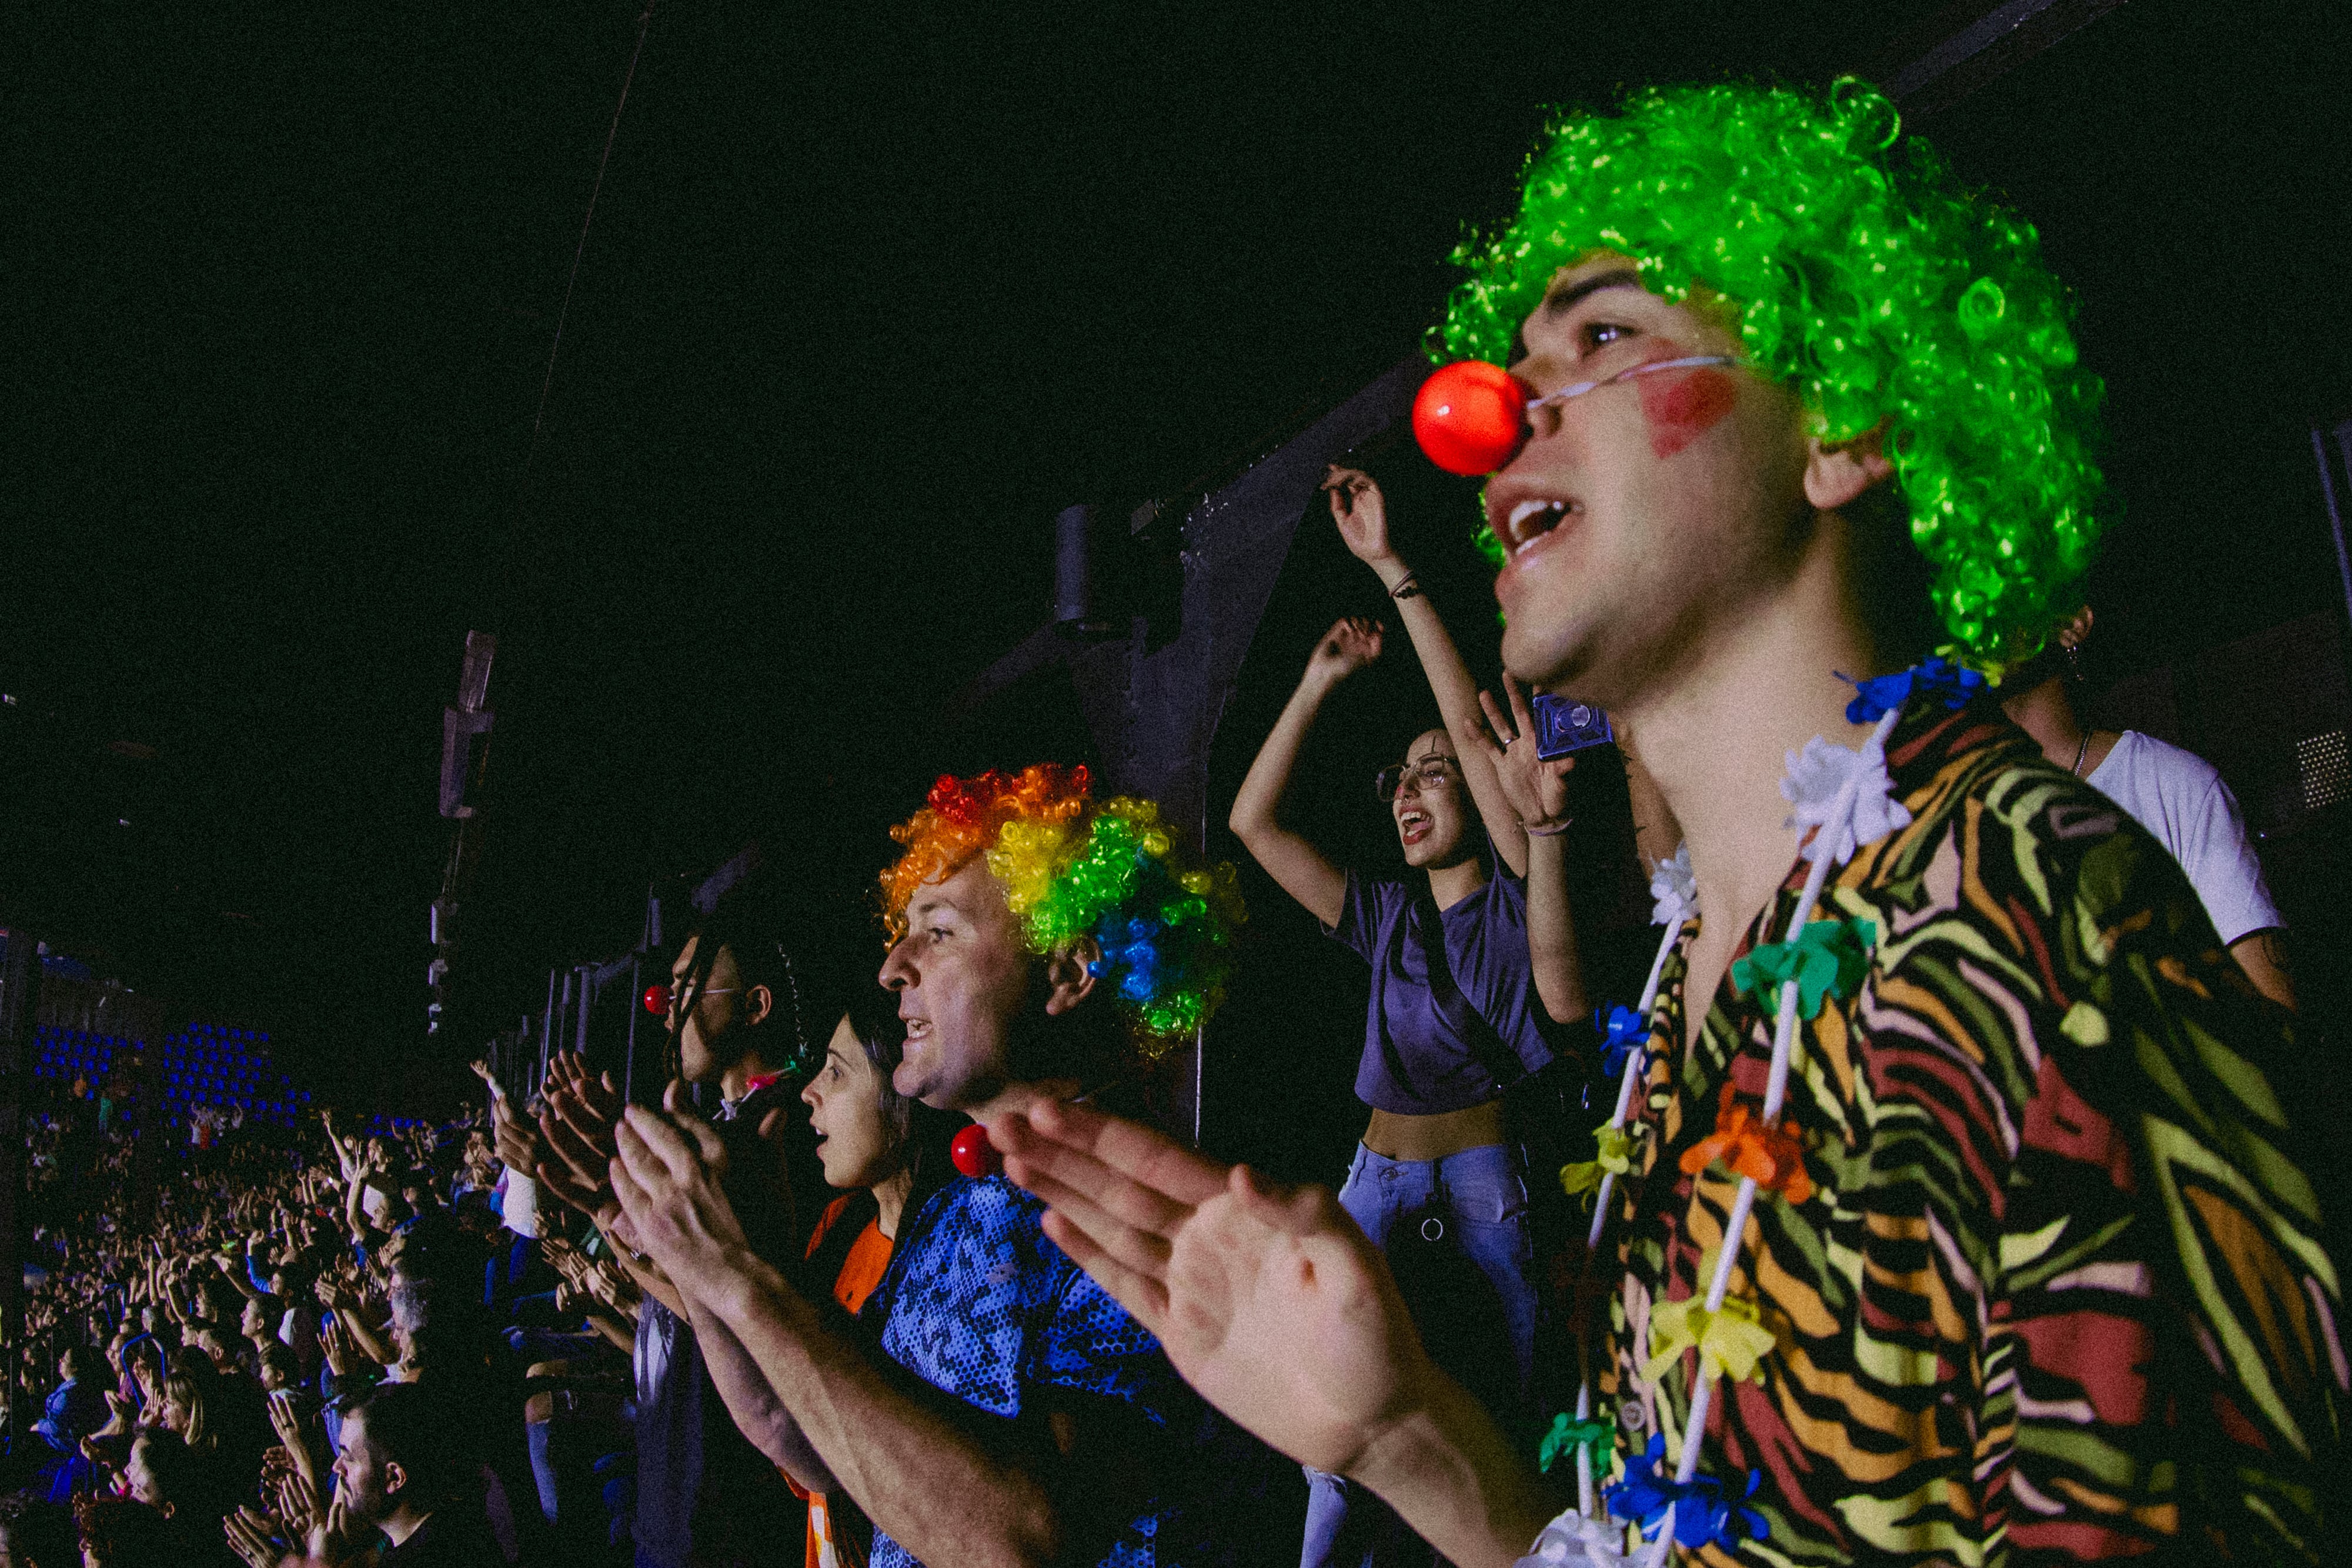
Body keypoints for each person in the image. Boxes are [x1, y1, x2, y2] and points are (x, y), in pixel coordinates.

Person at [995, 78, 2342, 1564]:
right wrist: (1418, 1447)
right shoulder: (1698, 974)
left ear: (1842, 430)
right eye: (1512, 365)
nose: (1491, 419)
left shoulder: (2037, 924)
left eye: (1606, 337)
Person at [606, 765, 1245, 1568]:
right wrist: (706, 1261)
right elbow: (804, 1436)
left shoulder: (1135, 1215)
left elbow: (1020, 1538)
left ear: (1070, 972)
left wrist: (743, 1276)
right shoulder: (956, 1205)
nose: (891, 967)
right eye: (904, 930)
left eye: (938, 931)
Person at [1228, 466, 1589, 1566]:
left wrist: (1396, 574)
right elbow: (1252, 820)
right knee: (1331, 1456)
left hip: (1487, 1190)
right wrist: (1315, 680)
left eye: (1439, 774)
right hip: (1376, 1177)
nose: (1413, 788)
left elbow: (1473, 740)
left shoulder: (1523, 899)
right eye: (1402, 779)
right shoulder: (1380, 915)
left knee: (1499, 1439)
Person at [529, 894, 816, 1568]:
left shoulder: (784, 1133)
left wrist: (616, 1209)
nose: (665, 1003)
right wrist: (609, 1211)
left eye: (690, 986)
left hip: (721, 1503)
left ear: (756, 1007)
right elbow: (687, 1302)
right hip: (677, 1468)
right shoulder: (721, 1127)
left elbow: (738, 1317)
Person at [2002, 603, 2295, 1007]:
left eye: (2003, 579)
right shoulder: (1937, 816)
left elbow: (2275, 1011)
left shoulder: (2177, 787)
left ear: (2072, 620)